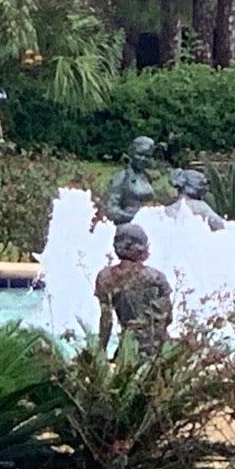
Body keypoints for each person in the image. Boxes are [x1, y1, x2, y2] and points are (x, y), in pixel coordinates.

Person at [94, 224, 173, 358]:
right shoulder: (156, 278)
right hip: (158, 351)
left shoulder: (105, 277)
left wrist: (99, 354)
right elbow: (168, 318)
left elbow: (106, 322)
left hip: (127, 351)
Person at [101, 136, 160, 225]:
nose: (143, 159)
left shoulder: (147, 177)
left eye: (147, 156)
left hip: (148, 224)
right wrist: (133, 217)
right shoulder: (122, 177)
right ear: (132, 153)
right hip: (127, 226)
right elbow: (111, 209)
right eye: (139, 154)